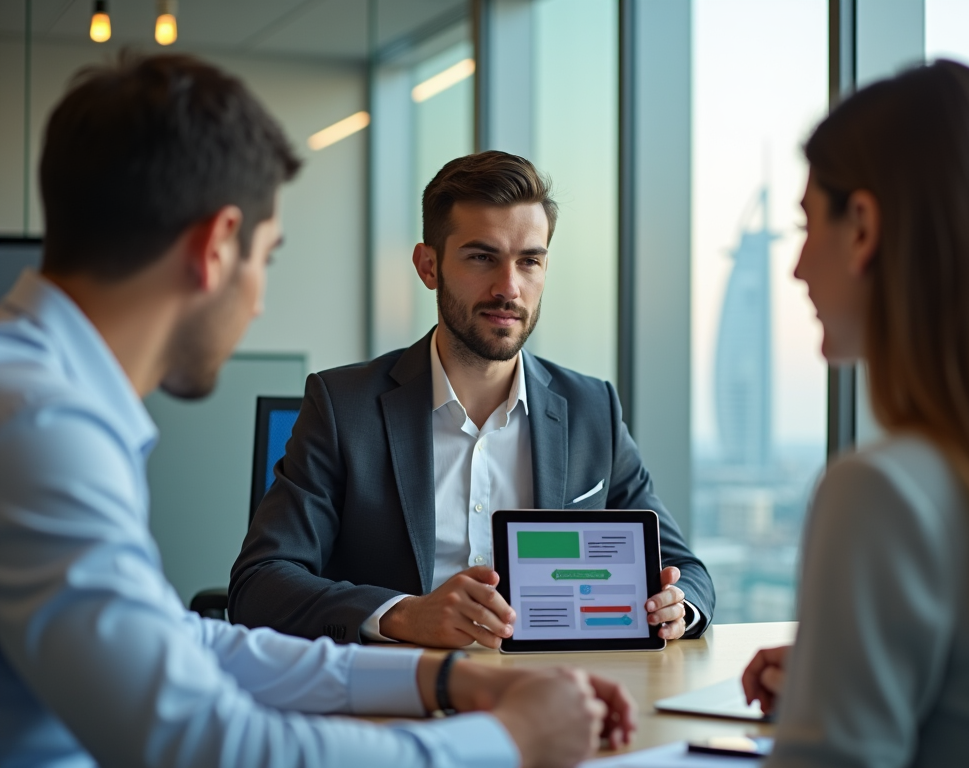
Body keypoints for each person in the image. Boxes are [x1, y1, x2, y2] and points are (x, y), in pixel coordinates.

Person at [0, 52, 638, 768]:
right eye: (266, 257)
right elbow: (209, 743)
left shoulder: (37, 396)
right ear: (216, 249)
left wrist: (438, 677)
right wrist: (508, 741)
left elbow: (189, 642)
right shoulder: (39, 425)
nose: (259, 300)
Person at [228, 151, 715, 648]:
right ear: (429, 265)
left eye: (529, 261)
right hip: (400, 699)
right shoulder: (343, 407)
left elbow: (686, 571)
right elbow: (260, 583)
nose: (509, 287)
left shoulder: (593, 410)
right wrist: (403, 616)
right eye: (482, 257)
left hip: (547, 694)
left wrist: (680, 608)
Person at [740, 60, 969, 766]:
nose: (798, 266)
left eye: (809, 225)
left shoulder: (883, 491)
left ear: (862, 227)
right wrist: (840, 665)